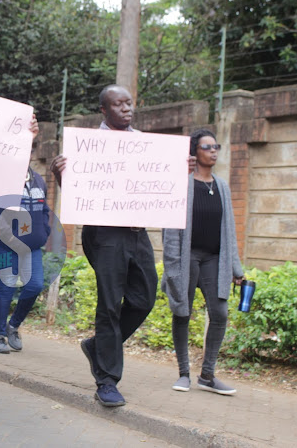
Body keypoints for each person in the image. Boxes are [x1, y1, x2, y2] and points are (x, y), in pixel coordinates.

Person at [51, 84, 194, 407]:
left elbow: (159, 188)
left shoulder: (144, 145)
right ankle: (107, 381)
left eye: (129, 103)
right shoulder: (89, 147)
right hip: (105, 235)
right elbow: (78, 194)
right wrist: (60, 175)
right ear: (104, 110)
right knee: (110, 304)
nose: (127, 109)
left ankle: (96, 347)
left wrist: (177, 170)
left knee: (144, 299)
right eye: (119, 105)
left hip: (136, 232)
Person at [161, 128, 244, 395]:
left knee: (220, 314)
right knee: (182, 312)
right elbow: (170, 230)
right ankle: (184, 373)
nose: (213, 151)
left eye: (216, 146)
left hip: (214, 258)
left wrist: (235, 268)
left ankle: (207, 375)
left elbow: (229, 229)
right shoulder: (182, 184)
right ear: (194, 152)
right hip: (187, 257)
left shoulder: (221, 186)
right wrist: (172, 266)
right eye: (207, 147)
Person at [0, 164, 49, 354]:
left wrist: (44, 232)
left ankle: (14, 325)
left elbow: (44, 209)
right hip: (3, 245)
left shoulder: (37, 179)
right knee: (7, 286)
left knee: (35, 285)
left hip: (31, 245)